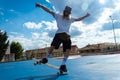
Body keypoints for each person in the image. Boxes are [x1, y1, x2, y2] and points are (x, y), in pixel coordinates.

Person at [35, 3, 90, 73]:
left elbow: (79, 19)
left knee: (67, 50)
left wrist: (86, 15)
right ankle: (46, 58)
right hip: (59, 34)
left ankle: (63, 65)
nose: (67, 13)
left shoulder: (70, 19)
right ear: (64, 11)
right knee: (52, 46)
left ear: (69, 13)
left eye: (68, 12)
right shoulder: (58, 16)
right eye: (66, 12)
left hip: (66, 35)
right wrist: (41, 6)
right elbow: (49, 11)